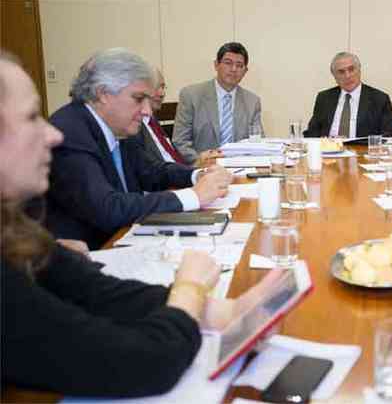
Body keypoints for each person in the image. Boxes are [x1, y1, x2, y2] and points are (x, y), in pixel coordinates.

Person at [0, 52, 281, 397]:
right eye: (31, 117)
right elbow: (146, 362)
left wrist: (224, 310)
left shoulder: (13, 229)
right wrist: (189, 289)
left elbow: (100, 293)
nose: (51, 135)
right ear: (104, 93)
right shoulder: (72, 129)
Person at [46, 48, 231, 249]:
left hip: (127, 239)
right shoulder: (69, 131)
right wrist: (194, 196)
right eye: (138, 99)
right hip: (93, 254)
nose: (147, 112)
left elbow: (151, 171)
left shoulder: (117, 126)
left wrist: (198, 175)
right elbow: (108, 208)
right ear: (103, 93)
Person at [173, 42, 263, 164]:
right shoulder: (191, 95)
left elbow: (257, 142)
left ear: (245, 71)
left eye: (239, 65)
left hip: (241, 167)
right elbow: (180, 141)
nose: (233, 69)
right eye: (228, 63)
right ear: (216, 65)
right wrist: (200, 161)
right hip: (202, 167)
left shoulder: (252, 101)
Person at [139, 68, 221, 167]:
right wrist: (196, 167)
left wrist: (198, 164)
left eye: (163, 87)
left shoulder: (152, 122)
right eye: (156, 87)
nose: (162, 93)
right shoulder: (135, 129)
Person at [304, 52, 392, 138]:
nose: (347, 76)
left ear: (359, 70)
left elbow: (386, 136)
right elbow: (312, 133)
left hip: (362, 151)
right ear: (334, 76)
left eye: (351, 69)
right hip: (328, 151)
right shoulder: (324, 98)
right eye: (341, 72)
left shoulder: (380, 99)